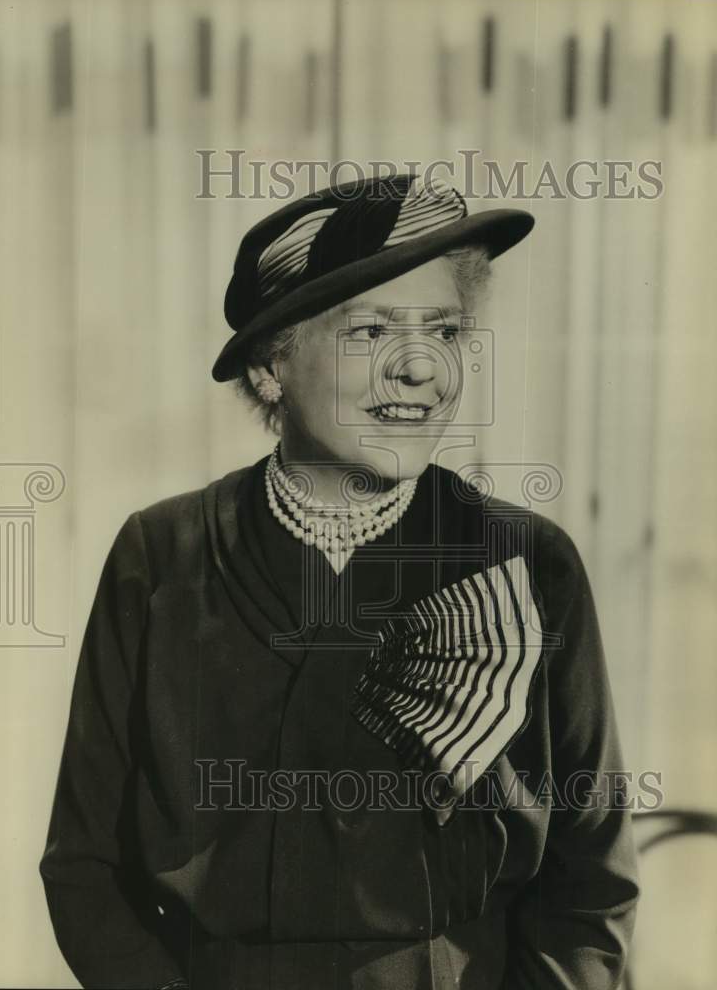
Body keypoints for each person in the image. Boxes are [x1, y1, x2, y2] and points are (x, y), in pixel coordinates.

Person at [40, 173, 639, 989]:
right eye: (370, 331)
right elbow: (83, 865)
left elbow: (592, 882)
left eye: (446, 330)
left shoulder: (528, 559)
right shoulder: (161, 553)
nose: (421, 369)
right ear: (268, 365)